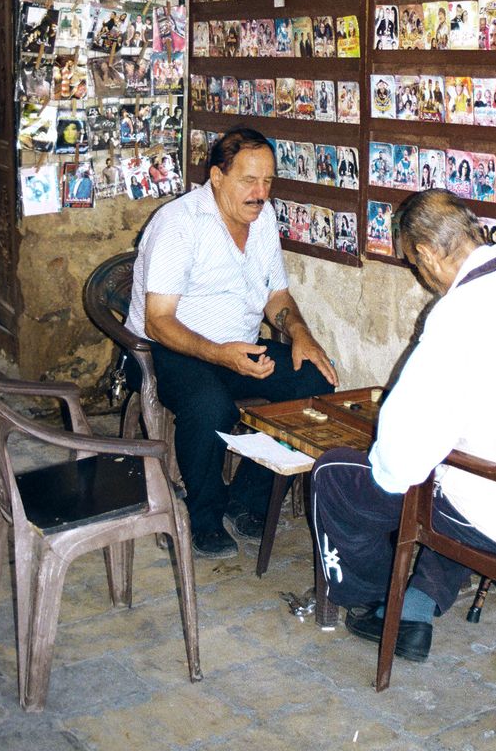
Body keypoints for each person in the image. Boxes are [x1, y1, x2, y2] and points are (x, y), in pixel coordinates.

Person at [310, 191, 496, 662]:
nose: (421, 276)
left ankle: (376, 606)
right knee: (455, 475)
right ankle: (418, 603)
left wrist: (390, 461)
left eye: (414, 264)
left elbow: (399, 461)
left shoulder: (456, 314)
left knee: (336, 474)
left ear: (426, 254)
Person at [127, 127, 338, 558]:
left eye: (268, 182)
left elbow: (275, 296)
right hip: (170, 348)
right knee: (210, 404)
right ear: (217, 177)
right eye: (249, 181)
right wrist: (221, 355)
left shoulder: (263, 220)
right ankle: (203, 514)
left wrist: (300, 334)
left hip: (237, 347)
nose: (261, 193)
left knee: (314, 380)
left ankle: (247, 499)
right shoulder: (180, 224)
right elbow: (158, 321)